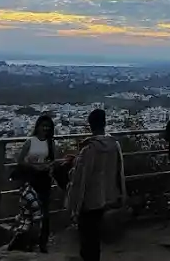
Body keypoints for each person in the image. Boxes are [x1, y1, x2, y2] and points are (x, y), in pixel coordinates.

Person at [66, 109, 126, 261]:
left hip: (89, 200)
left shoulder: (90, 149)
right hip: (107, 195)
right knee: (96, 238)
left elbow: (80, 179)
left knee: (87, 241)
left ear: (90, 125)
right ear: (105, 123)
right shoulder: (114, 145)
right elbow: (119, 171)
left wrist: (74, 206)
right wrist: (121, 194)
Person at [15, 114, 56, 252]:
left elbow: (53, 160)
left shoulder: (50, 142)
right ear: (37, 126)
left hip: (44, 179)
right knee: (30, 211)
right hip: (31, 179)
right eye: (43, 126)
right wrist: (32, 166)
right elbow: (20, 160)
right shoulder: (30, 141)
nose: (45, 129)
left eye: (47, 127)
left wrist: (48, 166)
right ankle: (29, 241)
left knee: (44, 211)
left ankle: (43, 242)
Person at [7, 165, 45, 252]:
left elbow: (36, 211)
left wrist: (35, 229)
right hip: (24, 227)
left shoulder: (28, 194)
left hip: (26, 229)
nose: (12, 183)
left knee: (14, 249)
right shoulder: (25, 192)